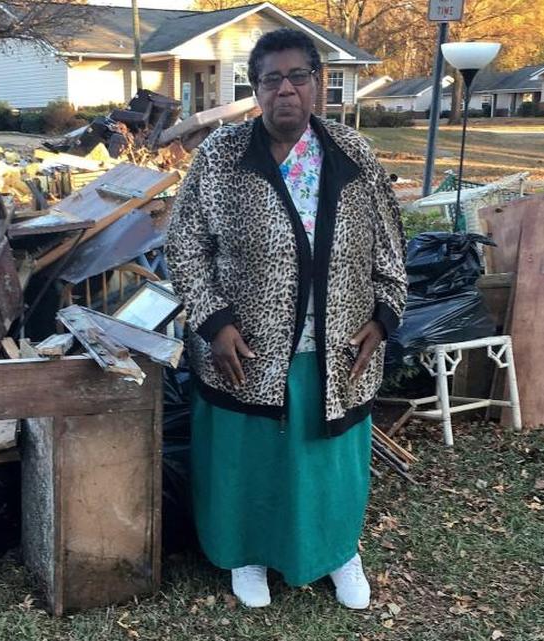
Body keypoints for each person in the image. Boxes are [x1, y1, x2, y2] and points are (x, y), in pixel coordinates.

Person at [165, 28, 407, 609]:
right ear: (256, 89)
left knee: (329, 462)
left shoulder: (353, 154)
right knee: (246, 457)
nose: (286, 90)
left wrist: (385, 315)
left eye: (298, 76)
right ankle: (245, 554)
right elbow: (184, 245)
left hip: (338, 343)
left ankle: (338, 549)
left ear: (318, 85)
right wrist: (215, 322)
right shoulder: (221, 155)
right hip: (245, 349)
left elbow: (389, 240)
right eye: (271, 79)